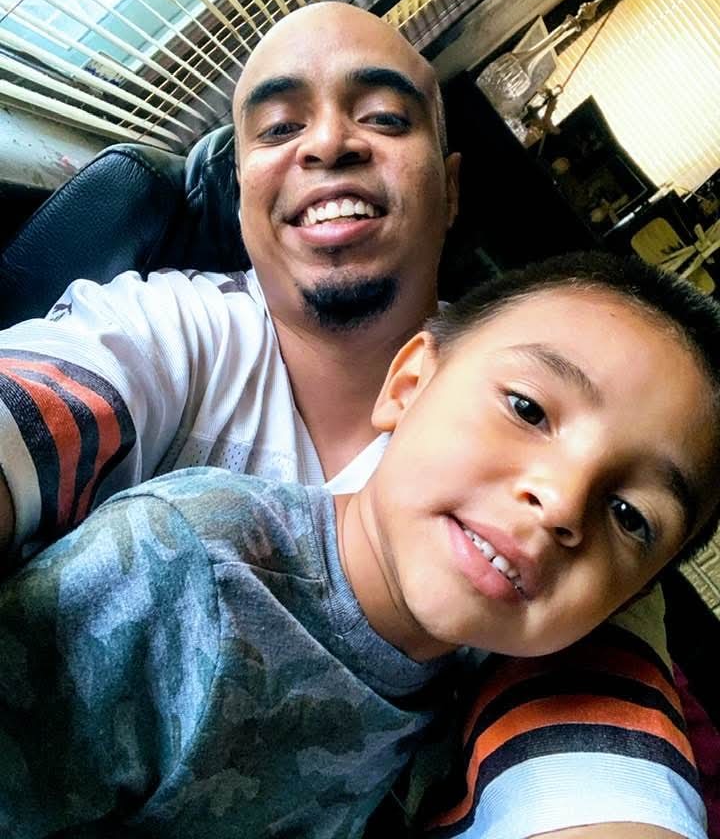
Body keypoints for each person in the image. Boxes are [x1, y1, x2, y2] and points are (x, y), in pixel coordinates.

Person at [0, 3, 708, 839]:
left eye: (383, 118)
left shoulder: (571, 487)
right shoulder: (156, 339)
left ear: (450, 188)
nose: (329, 143)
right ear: (240, 198)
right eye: (277, 127)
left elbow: (593, 771)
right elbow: (34, 407)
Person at [1, 252, 719, 838]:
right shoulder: (182, 572)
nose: (561, 502)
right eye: (528, 409)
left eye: (630, 514)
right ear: (408, 385)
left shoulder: (480, 703)